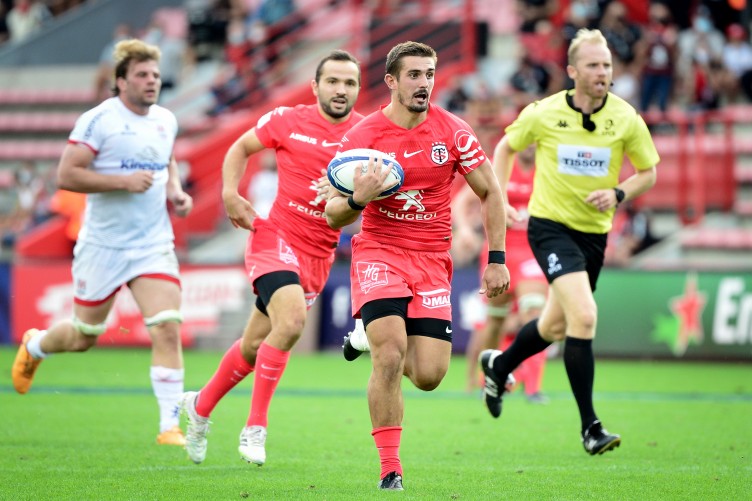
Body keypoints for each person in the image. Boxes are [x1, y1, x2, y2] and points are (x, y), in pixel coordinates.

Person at [325, 41, 510, 491]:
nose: (424, 83)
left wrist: (496, 259)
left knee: (428, 375)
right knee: (390, 354)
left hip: (431, 260)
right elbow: (333, 213)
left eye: (429, 74)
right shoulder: (362, 137)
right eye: (414, 75)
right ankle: (391, 468)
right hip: (379, 252)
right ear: (391, 81)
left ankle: (362, 337)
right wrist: (358, 199)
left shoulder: (453, 132)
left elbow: (491, 192)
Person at [478, 28, 659, 456]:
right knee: (585, 316)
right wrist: (499, 200)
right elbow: (504, 148)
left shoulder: (626, 117)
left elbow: (649, 172)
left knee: (555, 326)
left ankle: (498, 365)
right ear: (572, 70)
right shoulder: (544, 112)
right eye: (594, 65)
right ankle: (590, 428)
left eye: (608, 65)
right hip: (550, 228)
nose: (603, 72)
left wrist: (617, 193)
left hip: (594, 235)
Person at [178, 50, 363, 466]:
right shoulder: (287, 120)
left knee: (253, 345)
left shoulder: (366, 135)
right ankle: (255, 426)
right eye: (332, 81)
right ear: (315, 86)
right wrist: (230, 193)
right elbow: (238, 148)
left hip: (319, 253)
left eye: (349, 82)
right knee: (292, 322)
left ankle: (200, 407)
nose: (340, 90)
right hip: (275, 237)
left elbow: (364, 202)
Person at [11, 39, 194, 446]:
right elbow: (67, 175)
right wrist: (121, 182)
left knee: (166, 327)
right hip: (103, 246)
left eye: (156, 76)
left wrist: (175, 192)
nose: (152, 82)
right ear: (120, 81)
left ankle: (169, 426)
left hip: (152, 244)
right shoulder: (98, 121)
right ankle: (37, 345)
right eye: (143, 75)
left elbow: (166, 158)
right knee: (82, 337)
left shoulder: (165, 119)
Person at [455, 145, 549, 401]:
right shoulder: (499, 165)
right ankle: (490, 379)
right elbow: (462, 201)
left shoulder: (548, 167)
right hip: (499, 252)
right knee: (494, 320)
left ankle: (533, 388)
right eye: (525, 140)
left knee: (534, 314)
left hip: (532, 253)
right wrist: (464, 230)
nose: (530, 146)